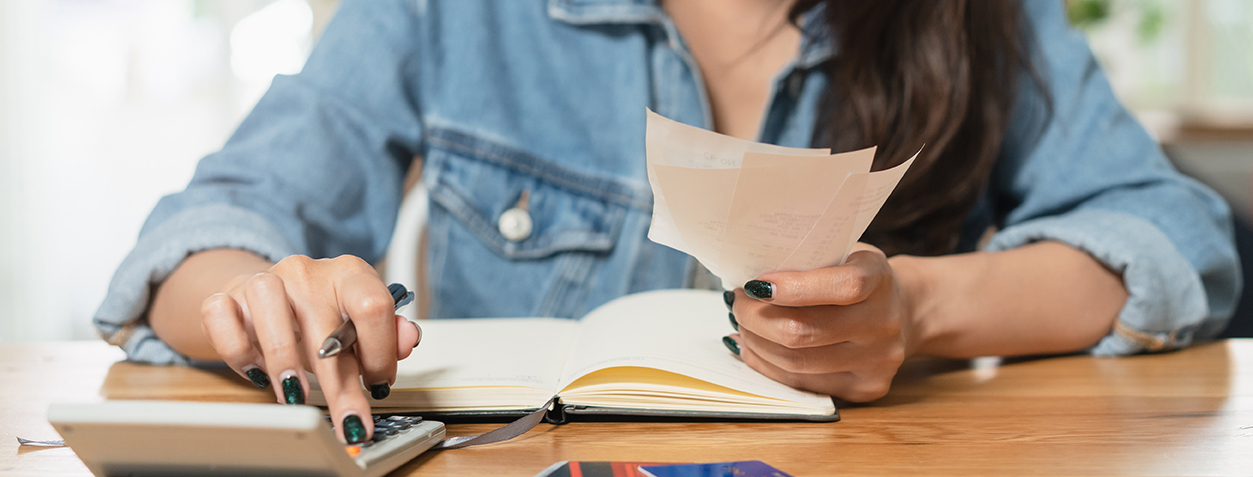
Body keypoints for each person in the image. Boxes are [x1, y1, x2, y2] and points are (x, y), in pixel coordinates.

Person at [94, 0, 1240, 445]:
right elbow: (207, 230)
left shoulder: (984, 17)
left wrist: (923, 308)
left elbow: (1168, 235)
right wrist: (263, 303)